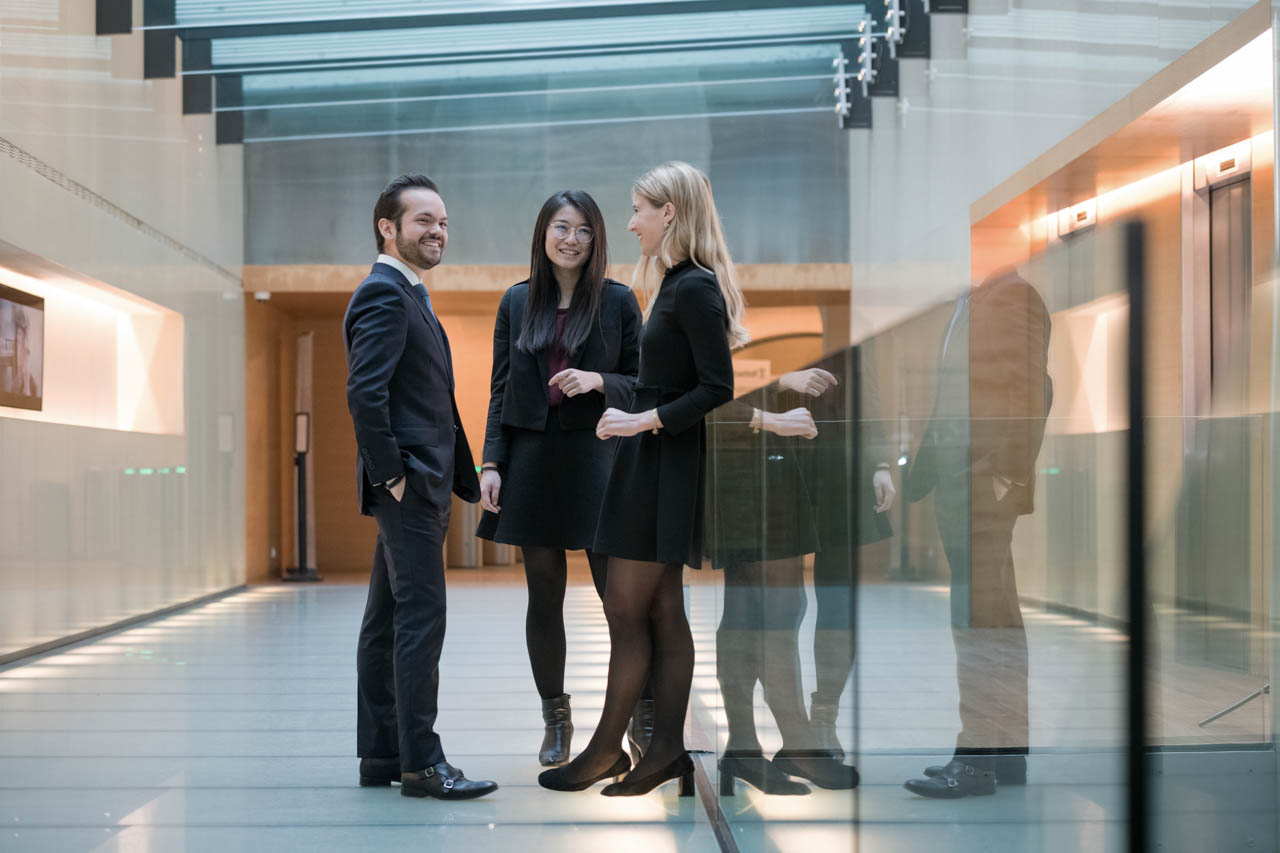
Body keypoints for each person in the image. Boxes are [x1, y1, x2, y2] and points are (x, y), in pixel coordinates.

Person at [538, 161, 745, 796]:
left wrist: (639, 420)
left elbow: (717, 387)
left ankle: (612, 749)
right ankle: (661, 753)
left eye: (639, 211)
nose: (629, 223)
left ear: (670, 213)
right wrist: (638, 423)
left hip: (663, 468)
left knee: (628, 608)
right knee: (656, 610)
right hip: (653, 465)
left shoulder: (694, 287)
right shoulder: (678, 283)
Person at [344, 174, 497, 800]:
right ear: (388, 227)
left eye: (441, 222)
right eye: (422, 221)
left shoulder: (408, 293)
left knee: (386, 621)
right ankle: (422, 764)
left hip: (419, 483)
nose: (436, 231)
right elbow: (365, 393)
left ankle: (383, 753)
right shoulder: (385, 295)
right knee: (420, 621)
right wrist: (394, 476)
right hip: (409, 487)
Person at [476, 189, 642, 767]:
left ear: (597, 240)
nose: (570, 240)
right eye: (560, 228)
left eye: (583, 231)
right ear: (543, 234)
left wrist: (599, 381)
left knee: (616, 597)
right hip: (531, 461)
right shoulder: (517, 302)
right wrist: (491, 462)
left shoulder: (619, 302)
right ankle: (556, 717)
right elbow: (499, 389)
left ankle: (637, 715)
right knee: (543, 594)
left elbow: (644, 383)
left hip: (599, 459)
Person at [902, 267, 1052, 798]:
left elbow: (1031, 387)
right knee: (996, 620)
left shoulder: (1012, 297)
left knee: (979, 625)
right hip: (961, 483)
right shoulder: (972, 301)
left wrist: (1005, 473)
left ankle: (977, 760)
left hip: (981, 486)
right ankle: (1006, 756)